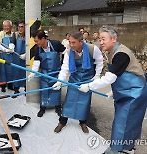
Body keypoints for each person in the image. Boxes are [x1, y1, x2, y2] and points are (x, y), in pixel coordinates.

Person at [79, 25, 147, 153]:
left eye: (104, 39)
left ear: (114, 39)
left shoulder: (121, 54)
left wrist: (89, 86)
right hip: (126, 92)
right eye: (100, 39)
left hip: (135, 93)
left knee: (123, 122)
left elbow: (110, 77)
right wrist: (113, 91)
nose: (101, 42)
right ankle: (128, 148)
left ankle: (117, 150)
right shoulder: (113, 52)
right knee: (130, 122)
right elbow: (119, 76)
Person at [52, 31, 103, 133]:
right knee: (69, 101)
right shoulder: (68, 52)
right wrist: (60, 81)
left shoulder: (92, 49)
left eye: (73, 42)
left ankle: (83, 123)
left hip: (88, 81)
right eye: (69, 42)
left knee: (84, 103)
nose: (71, 45)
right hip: (74, 80)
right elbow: (65, 68)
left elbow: (99, 62)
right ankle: (62, 122)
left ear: (81, 41)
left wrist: (97, 75)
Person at [28, 30, 66, 117]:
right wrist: (33, 73)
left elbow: (66, 53)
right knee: (44, 90)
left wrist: (64, 64)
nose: (36, 43)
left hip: (56, 73)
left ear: (43, 38)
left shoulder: (56, 44)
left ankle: (57, 107)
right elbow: (36, 62)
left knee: (56, 90)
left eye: (37, 41)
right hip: (44, 73)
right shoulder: (37, 49)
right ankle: (43, 107)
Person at [0, 20, 16, 92]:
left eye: (8, 26)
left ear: (11, 27)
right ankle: (3, 86)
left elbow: (15, 42)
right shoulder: (0, 34)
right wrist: (5, 50)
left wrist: (11, 48)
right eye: (5, 26)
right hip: (2, 55)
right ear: (3, 27)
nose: (6, 28)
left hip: (11, 56)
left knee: (11, 71)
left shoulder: (14, 34)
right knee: (2, 71)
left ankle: (11, 85)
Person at [12, 21, 26, 98]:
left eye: (22, 27)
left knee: (26, 73)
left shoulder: (28, 35)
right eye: (19, 27)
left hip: (25, 57)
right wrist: (11, 46)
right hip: (17, 57)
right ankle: (16, 89)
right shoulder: (15, 34)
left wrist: (26, 55)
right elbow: (12, 42)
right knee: (16, 73)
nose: (20, 28)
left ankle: (26, 89)